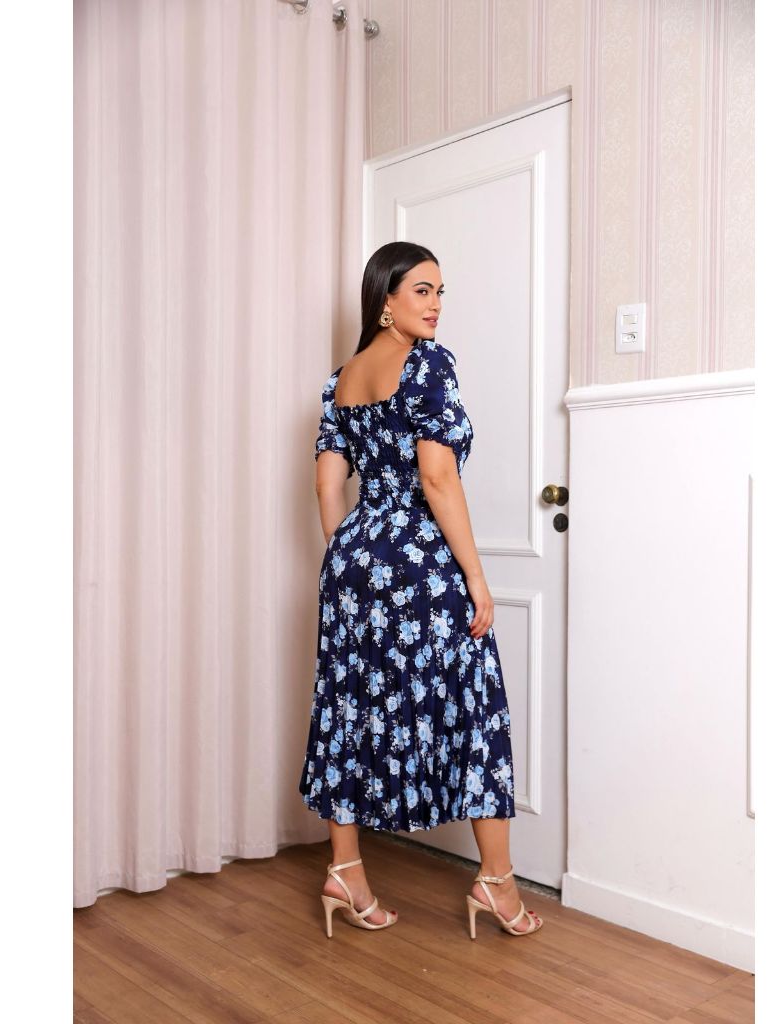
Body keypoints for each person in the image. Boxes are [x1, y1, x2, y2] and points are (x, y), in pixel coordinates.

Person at [299, 241, 543, 939]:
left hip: (353, 560)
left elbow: (327, 484)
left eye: (440, 292)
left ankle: (346, 871)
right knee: (475, 706)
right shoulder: (429, 364)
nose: (436, 305)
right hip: (422, 561)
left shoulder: (340, 380)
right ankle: (496, 883)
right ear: (386, 300)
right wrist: (475, 576)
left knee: (348, 705)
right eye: (422, 291)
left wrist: (351, 556)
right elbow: (437, 477)